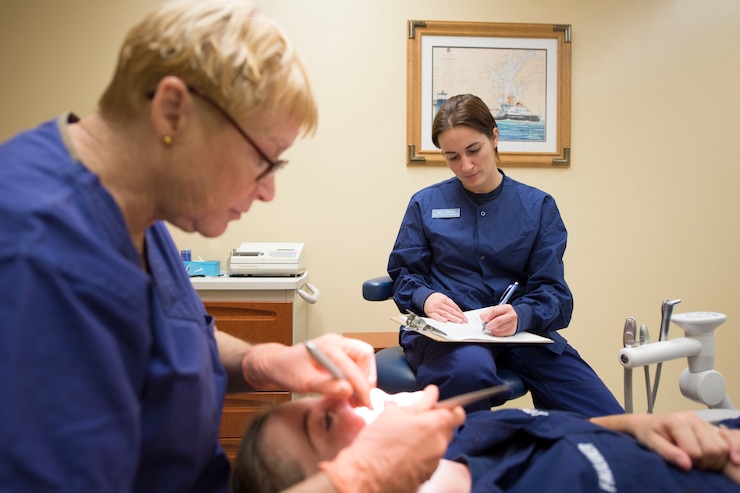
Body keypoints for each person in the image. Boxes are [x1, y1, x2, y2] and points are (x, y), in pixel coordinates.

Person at [0, 1, 464, 492]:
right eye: (264, 160)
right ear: (173, 111)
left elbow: (164, 334)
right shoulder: (34, 256)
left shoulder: (133, 207)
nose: (267, 191)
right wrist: (360, 476)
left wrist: (263, 363)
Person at [387, 93, 624, 415]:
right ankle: (473, 460)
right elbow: (404, 274)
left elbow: (554, 293)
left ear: (494, 137)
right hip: (449, 336)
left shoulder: (537, 207)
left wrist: (522, 315)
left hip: (521, 332)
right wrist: (426, 298)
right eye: (452, 156)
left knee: (603, 414)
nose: (466, 166)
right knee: (468, 372)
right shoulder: (425, 204)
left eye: (474, 150)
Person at [231, 388, 740, 492]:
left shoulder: (466, 435)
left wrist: (638, 425)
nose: (348, 396)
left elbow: (562, 432)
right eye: (324, 422)